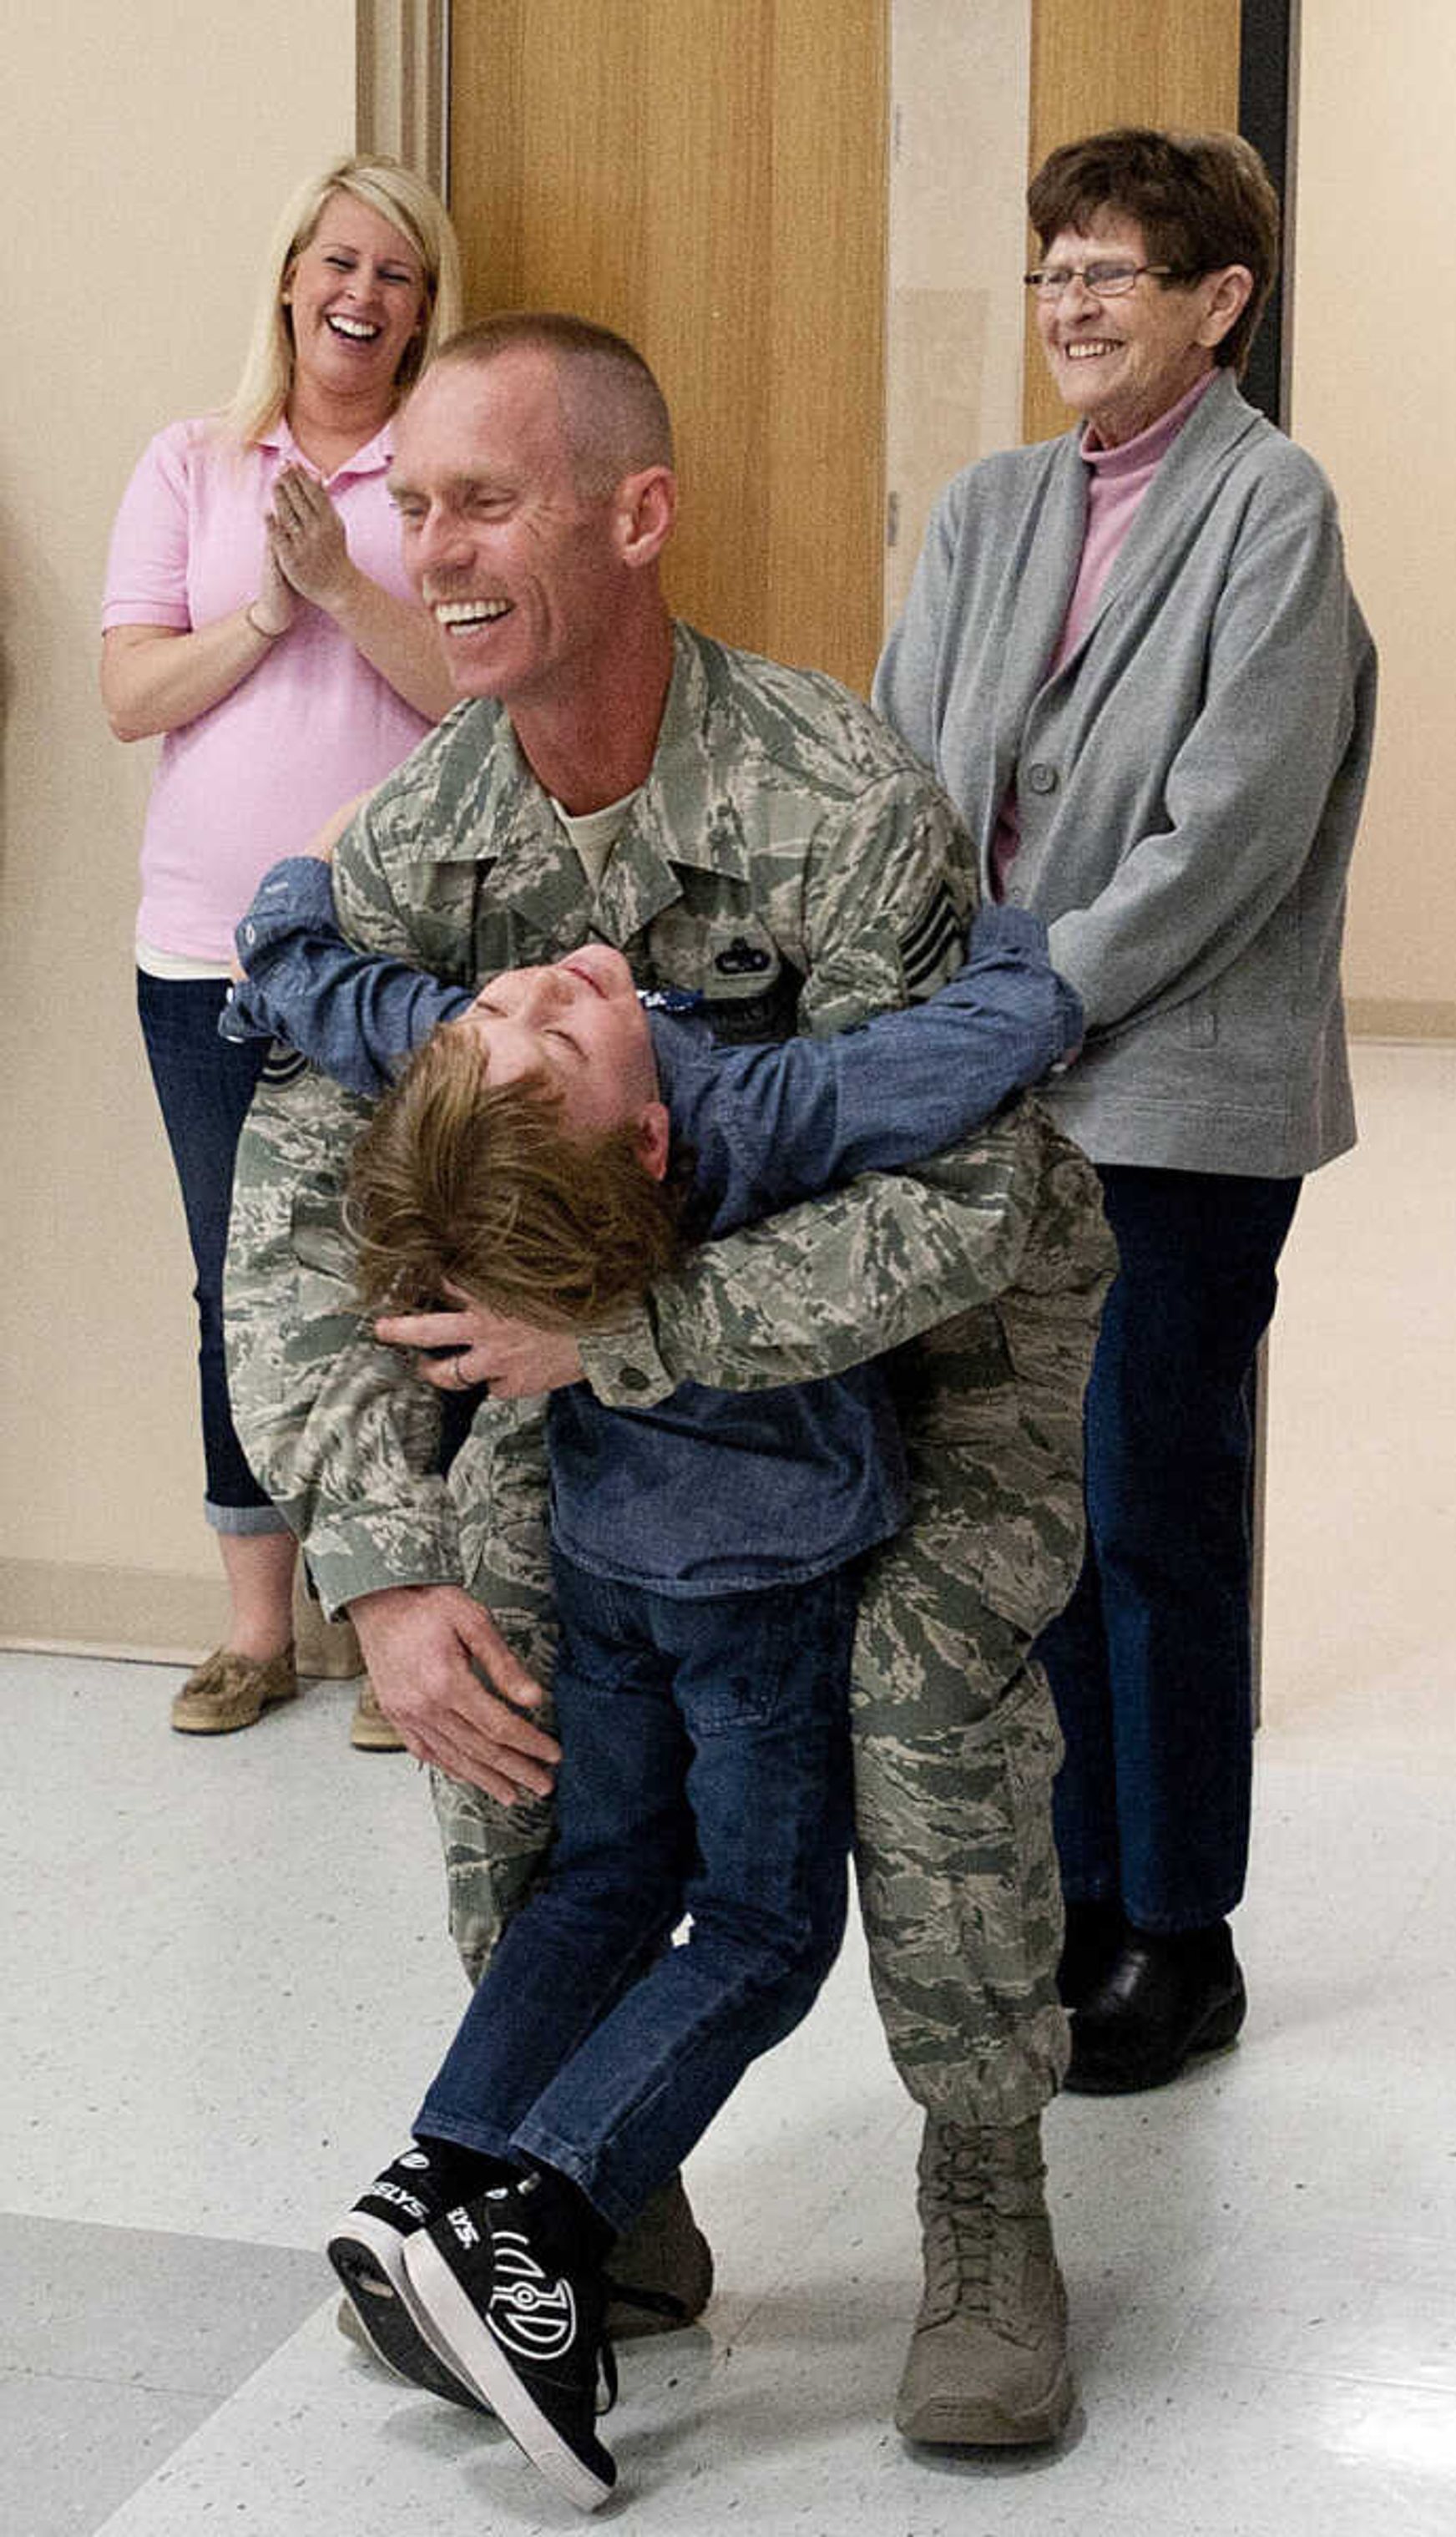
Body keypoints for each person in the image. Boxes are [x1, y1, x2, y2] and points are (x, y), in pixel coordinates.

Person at [222, 311, 1117, 2448]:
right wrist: (375, 1565)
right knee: (493, 1678)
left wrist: (637, 1327)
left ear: (636, 518)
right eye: (407, 502)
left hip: (927, 1388)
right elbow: (294, 1229)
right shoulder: (416, 852)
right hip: (588, 1411)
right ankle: (574, 2189)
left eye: (482, 499)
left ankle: (988, 2201)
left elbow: (967, 1212)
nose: (428, 548)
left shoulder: (841, 804)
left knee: (910, 1714)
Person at [225, 865, 1077, 2508]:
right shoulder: (761, 1106)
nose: (539, 984)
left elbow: (347, 1001)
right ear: (650, 1149)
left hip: (607, 1545)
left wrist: (285, 923)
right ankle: (542, 2212)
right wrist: (1018, 930)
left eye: (524, 1000)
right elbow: (980, 1043)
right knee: (761, 1927)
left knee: (609, 1872)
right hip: (760, 1580)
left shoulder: (469, 1072)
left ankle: (436, 2172)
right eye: (538, 1021)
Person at [877, 127, 1376, 2093]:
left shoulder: (1274, 510)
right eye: (1052, 273)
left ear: (1218, 302)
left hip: (1174, 1093)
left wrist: (1038, 991)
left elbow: (1230, 831)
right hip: (990, 1071)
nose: (1070, 308)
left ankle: (1184, 1924)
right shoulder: (995, 506)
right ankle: (1077, 1888)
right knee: (1030, 1508)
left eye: (1113, 274)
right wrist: (936, 1005)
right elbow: (912, 759)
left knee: (1155, 1508)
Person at [101, 153, 463, 1748]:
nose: (360, 295)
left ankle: (407, 1632)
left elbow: (476, 698)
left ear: (421, 310)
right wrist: (265, 613)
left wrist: (341, 589)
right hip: (202, 954)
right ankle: (261, 1627)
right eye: (338, 262)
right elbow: (131, 695)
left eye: (393, 273)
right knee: (234, 1288)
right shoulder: (193, 462)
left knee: (411, 1276)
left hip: (393, 954)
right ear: (290, 279)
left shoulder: (442, 473)